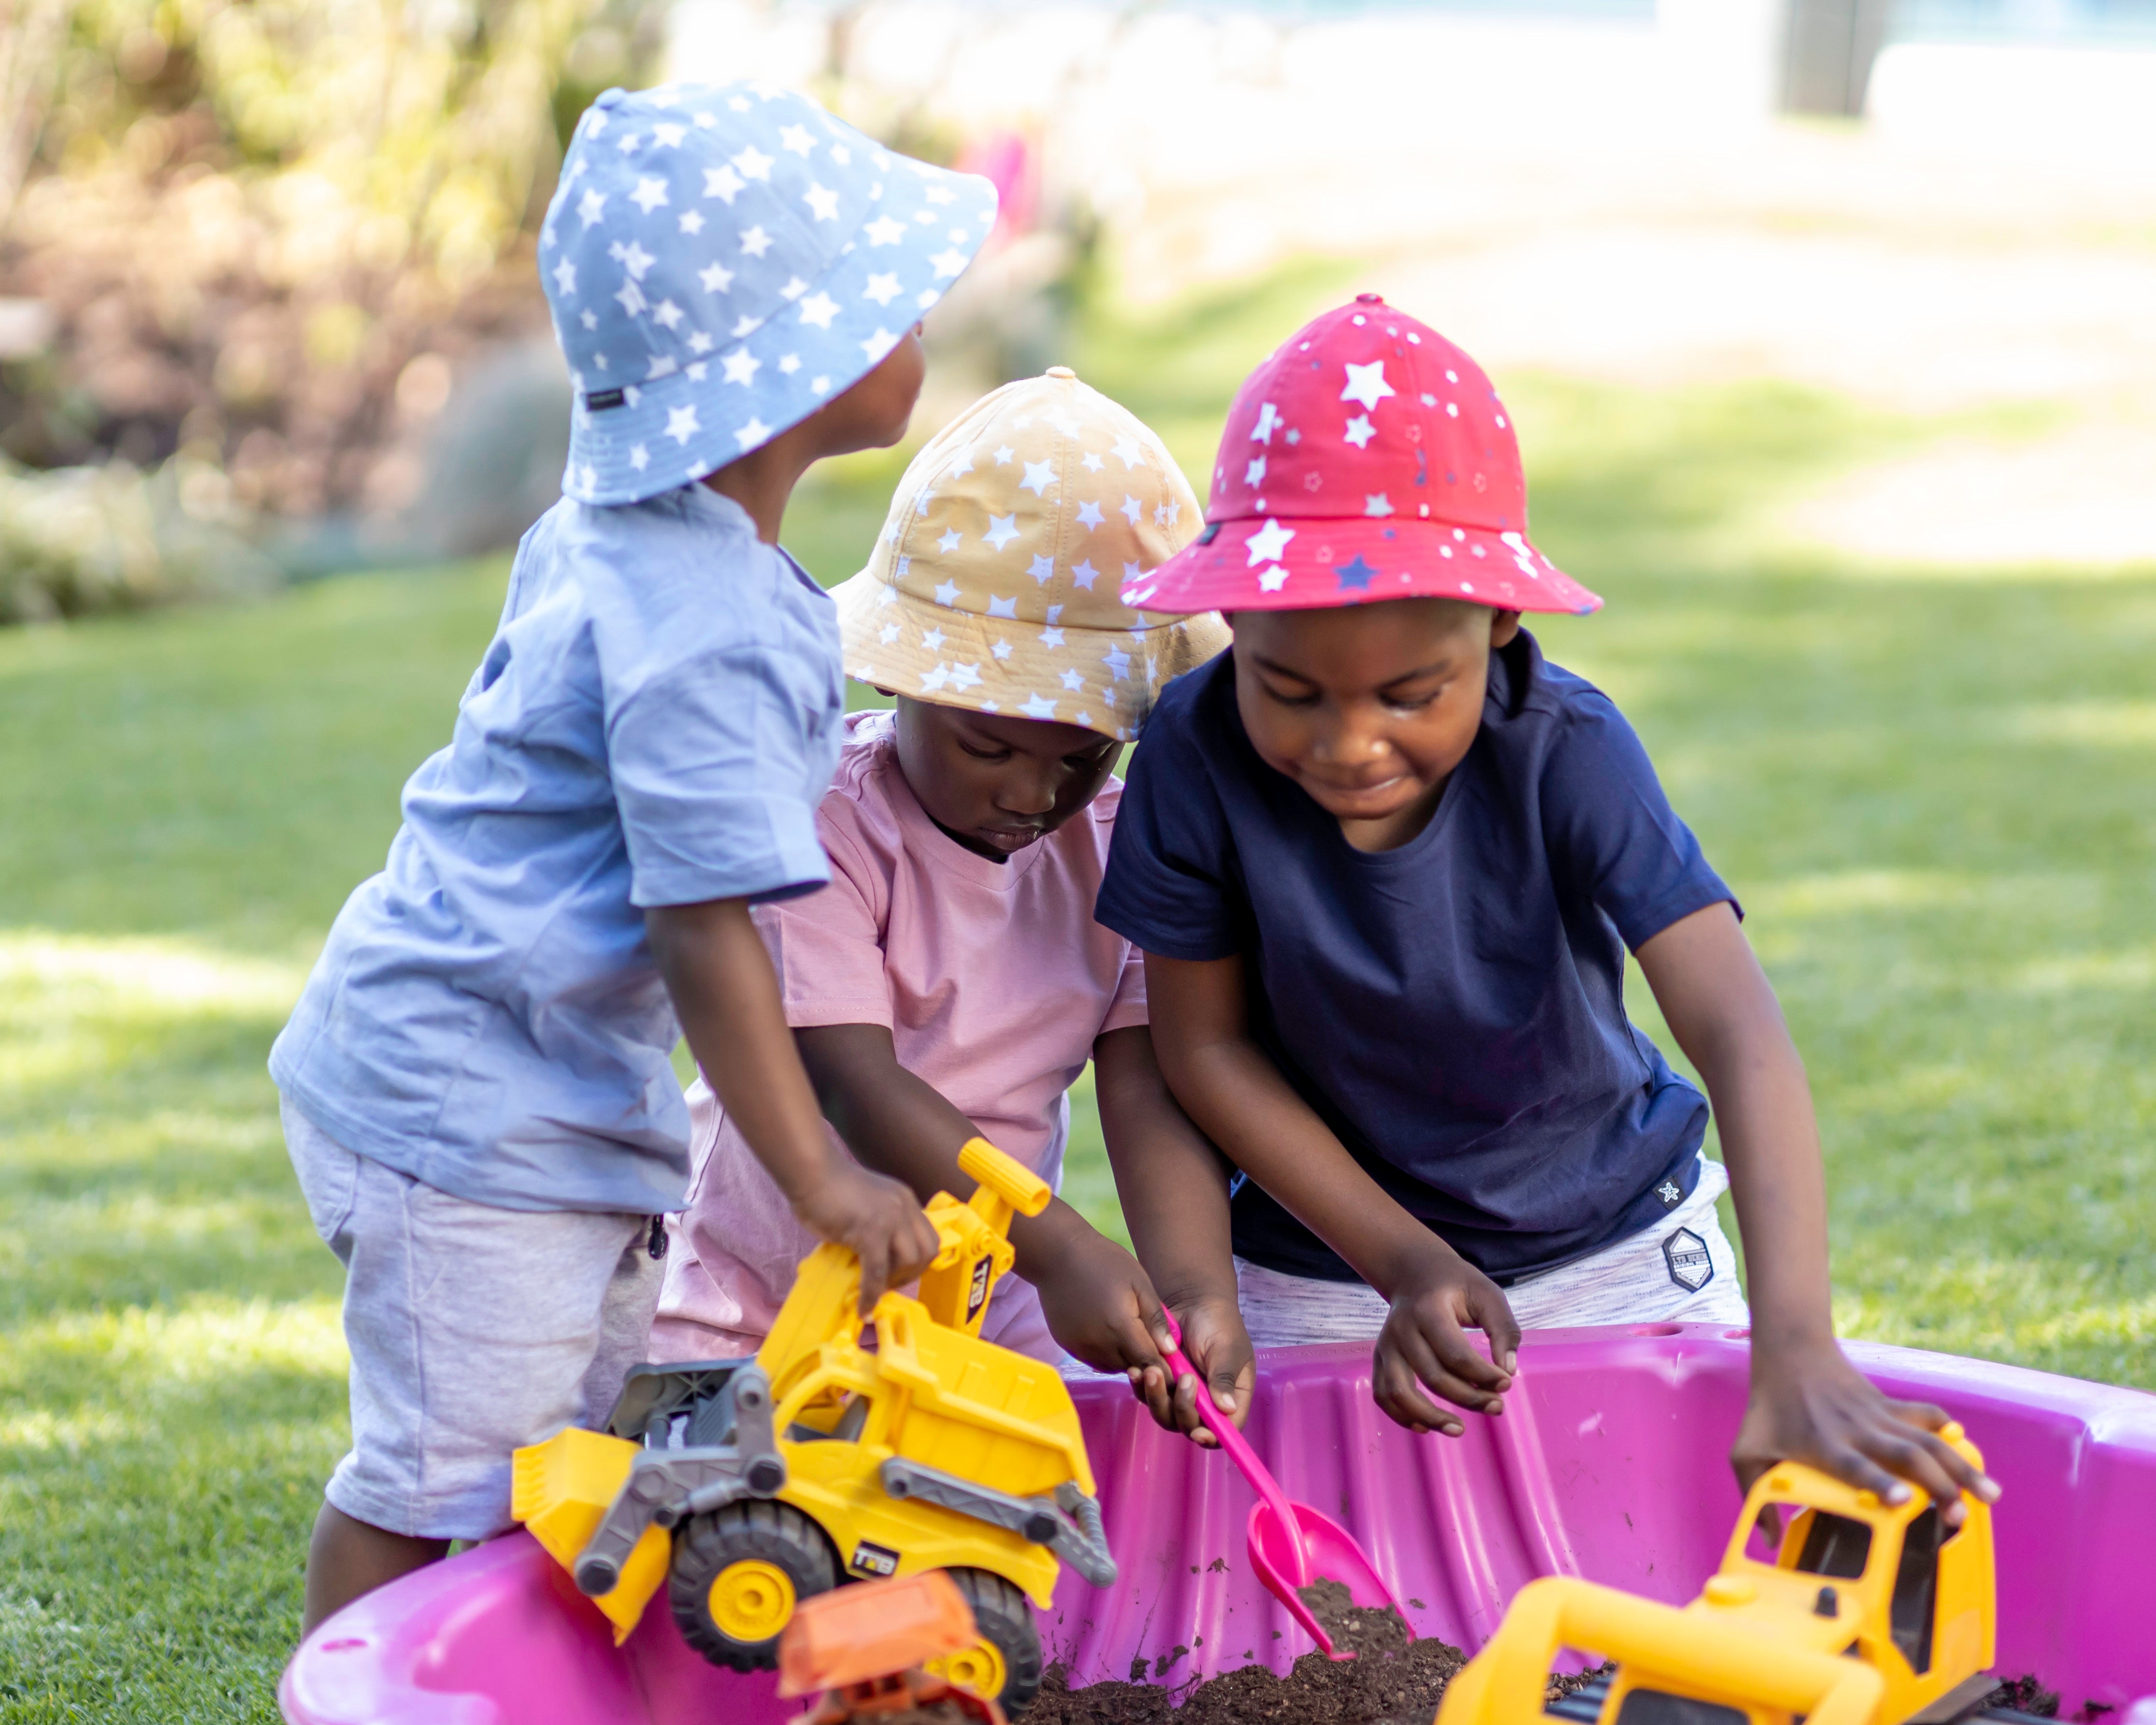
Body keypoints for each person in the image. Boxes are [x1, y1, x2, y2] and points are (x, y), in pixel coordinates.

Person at [268, 82, 1002, 1631]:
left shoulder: (643, 521)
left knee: (558, 1453)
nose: (921, 322)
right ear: (790, 370)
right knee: (447, 1482)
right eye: (888, 302)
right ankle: (361, 1683)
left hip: (524, 1083)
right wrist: (816, 1170)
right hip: (468, 1109)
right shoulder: (702, 629)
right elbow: (705, 927)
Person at [1099, 294, 2002, 1517]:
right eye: (1288, 688)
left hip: (1616, 1249)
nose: (1348, 743)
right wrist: (1404, 1261)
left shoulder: (1564, 745)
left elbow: (1734, 1027)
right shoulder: (1192, 754)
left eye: (1412, 693)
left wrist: (1795, 1342)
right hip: (1320, 1262)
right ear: (1234, 629)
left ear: (1498, 628)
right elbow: (1196, 1048)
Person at [650, 367, 1254, 1444]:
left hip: (989, 1288)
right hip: (757, 1289)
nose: (1031, 794)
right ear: (896, 679)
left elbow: (1146, 1088)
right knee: (716, 1524)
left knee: (1011, 1510)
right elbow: (851, 1079)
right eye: (987, 745)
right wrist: (1061, 1243)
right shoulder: (827, 816)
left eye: (1082, 756)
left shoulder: (1123, 842)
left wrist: (1191, 1288)